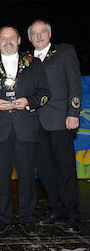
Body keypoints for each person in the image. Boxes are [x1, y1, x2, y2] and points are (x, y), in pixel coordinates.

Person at [0, 26, 50, 236]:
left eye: (11, 37)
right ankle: (3, 219)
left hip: (25, 129)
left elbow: (45, 92)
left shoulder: (34, 64)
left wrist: (28, 102)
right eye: (3, 38)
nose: (7, 41)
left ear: (19, 40)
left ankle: (27, 218)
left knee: (27, 176)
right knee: (0, 177)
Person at [28, 19, 82, 233]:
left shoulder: (65, 52)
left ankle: (73, 213)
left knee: (65, 167)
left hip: (61, 120)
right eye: (34, 33)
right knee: (45, 170)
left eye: (42, 32)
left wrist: (73, 113)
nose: (39, 36)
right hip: (35, 123)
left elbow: (74, 84)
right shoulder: (26, 60)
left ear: (50, 35)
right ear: (30, 38)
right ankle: (56, 209)